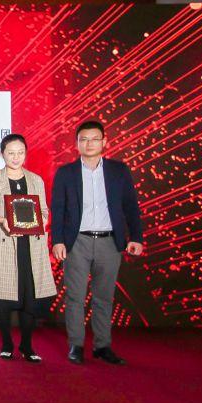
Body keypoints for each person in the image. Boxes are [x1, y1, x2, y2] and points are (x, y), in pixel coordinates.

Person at [51, 120, 143, 365]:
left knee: (104, 297)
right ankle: (76, 345)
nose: (89, 144)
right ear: (76, 144)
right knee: (75, 297)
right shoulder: (66, 173)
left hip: (109, 242)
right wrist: (57, 240)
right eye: (83, 139)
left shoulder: (118, 171)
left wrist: (136, 237)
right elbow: (58, 209)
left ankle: (102, 346)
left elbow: (130, 206)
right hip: (77, 242)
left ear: (104, 142)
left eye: (94, 139)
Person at [0, 134, 56, 362]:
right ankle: (7, 343)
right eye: (11, 153)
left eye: (20, 152)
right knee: (3, 297)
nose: (16, 157)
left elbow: (43, 210)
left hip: (30, 246)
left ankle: (27, 345)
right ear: (2, 154)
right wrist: (2, 220)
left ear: (26, 154)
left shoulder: (35, 180)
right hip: (3, 243)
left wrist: (42, 220)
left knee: (30, 297)